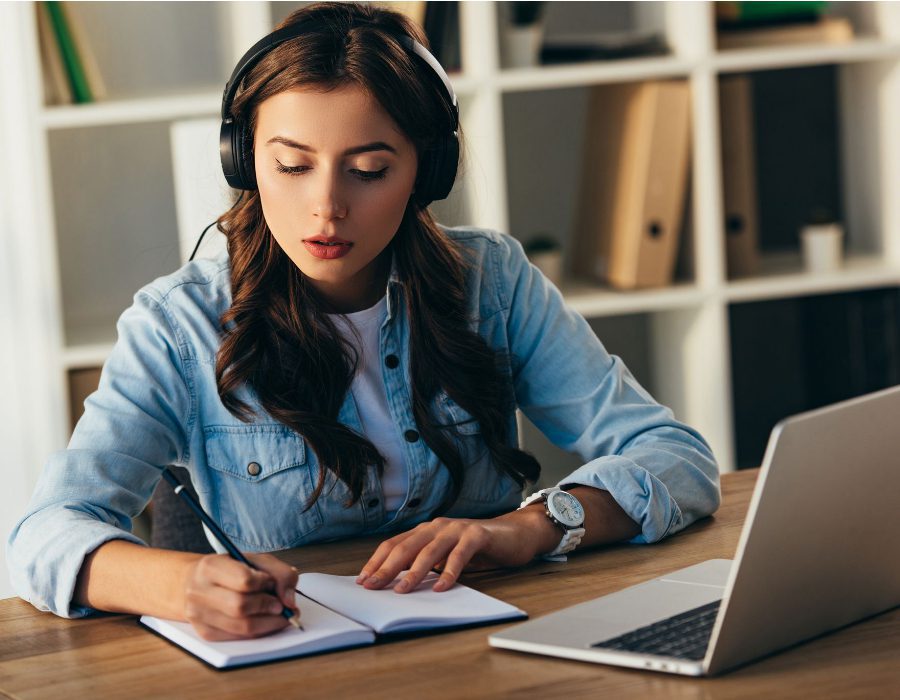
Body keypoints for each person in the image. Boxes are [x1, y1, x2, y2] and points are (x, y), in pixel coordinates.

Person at [7, 2, 719, 642]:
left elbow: (676, 457)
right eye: (291, 166)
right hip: (291, 664)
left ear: (424, 173)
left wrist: (530, 529)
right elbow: (43, 534)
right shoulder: (177, 324)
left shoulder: (492, 283)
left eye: (369, 170)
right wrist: (180, 583)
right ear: (244, 159)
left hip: (488, 644)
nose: (326, 207)